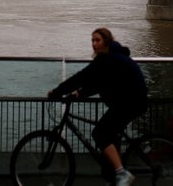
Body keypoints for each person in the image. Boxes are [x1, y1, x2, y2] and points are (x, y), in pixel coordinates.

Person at [47, 28, 148, 186]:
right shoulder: (111, 57)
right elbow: (99, 83)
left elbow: (82, 77)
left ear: (106, 41)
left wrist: (57, 92)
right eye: (92, 40)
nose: (94, 44)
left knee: (100, 133)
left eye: (97, 40)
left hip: (129, 103)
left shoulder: (107, 59)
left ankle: (122, 174)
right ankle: (113, 177)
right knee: (110, 137)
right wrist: (79, 94)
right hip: (130, 101)